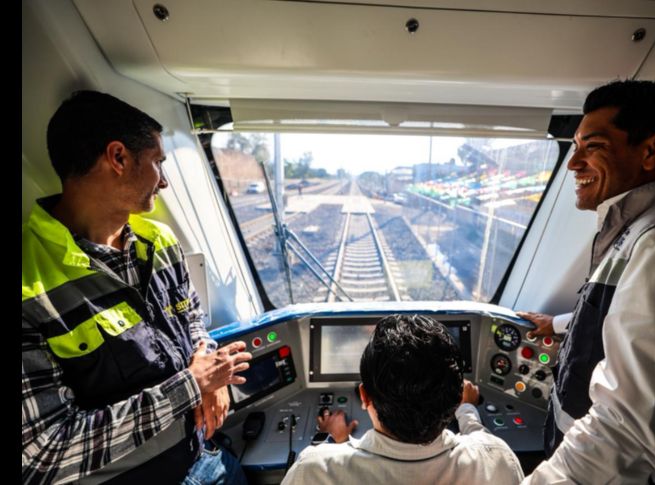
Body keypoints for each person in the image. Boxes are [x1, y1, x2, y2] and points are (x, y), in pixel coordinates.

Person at [517, 80, 655, 484]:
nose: (573, 163)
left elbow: (625, 430)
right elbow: (633, 314)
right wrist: (555, 325)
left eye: (594, 146)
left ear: (654, 150)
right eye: (575, 146)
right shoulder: (648, 228)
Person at [21, 91, 254, 484]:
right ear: (118, 158)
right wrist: (192, 386)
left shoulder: (159, 241)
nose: (163, 180)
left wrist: (211, 373)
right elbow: (46, 452)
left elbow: (192, 319)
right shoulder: (31, 288)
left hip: (206, 459)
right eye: (158, 162)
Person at [282, 314, 524, 485]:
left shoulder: (313, 470)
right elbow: (480, 441)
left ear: (364, 396)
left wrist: (334, 441)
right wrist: (467, 408)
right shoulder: (499, 459)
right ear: (454, 398)